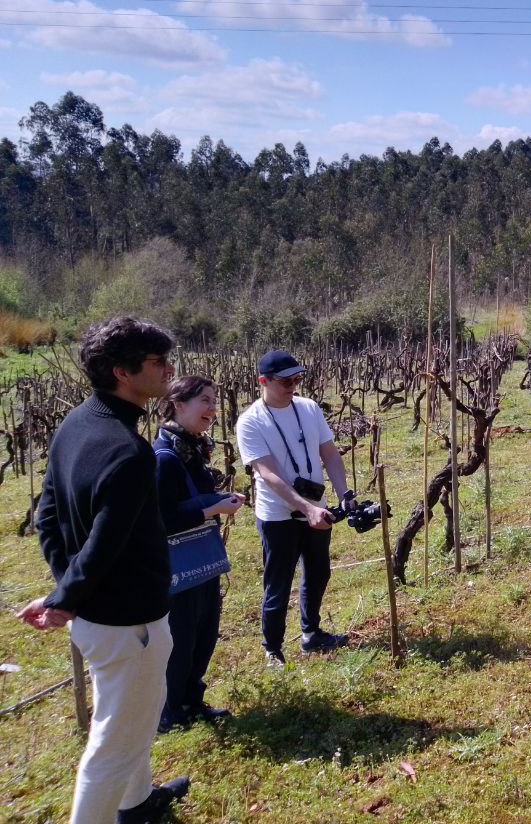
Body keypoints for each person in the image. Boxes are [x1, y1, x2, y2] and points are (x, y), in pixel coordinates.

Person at [17, 317, 191, 824]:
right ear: (123, 372)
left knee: (128, 718)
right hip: (127, 622)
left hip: (100, 617)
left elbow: (48, 513)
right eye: (158, 363)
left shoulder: (77, 423)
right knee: (116, 741)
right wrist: (65, 598)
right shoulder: (132, 452)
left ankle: (136, 804)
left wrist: (69, 589)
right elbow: (105, 543)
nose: (170, 370)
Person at [235, 349, 351, 667]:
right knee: (279, 582)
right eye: (285, 381)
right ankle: (272, 648)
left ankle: (311, 634)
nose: (293, 386)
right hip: (278, 515)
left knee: (318, 572)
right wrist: (305, 508)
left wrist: (344, 494)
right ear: (263, 381)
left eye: (297, 379)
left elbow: (329, 453)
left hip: (316, 508)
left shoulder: (309, 408)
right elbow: (268, 473)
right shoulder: (250, 422)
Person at [153, 375, 245, 731]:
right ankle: (169, 711)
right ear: (178, 404)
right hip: (177, 568)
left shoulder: (190, 450)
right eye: (204, 400)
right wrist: (213, 510)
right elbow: (161, 519)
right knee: (182, 637)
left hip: (200, 563)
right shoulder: (165, 459)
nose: (212, 408)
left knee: (204, 633)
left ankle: (192, 700)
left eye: (214, 400)